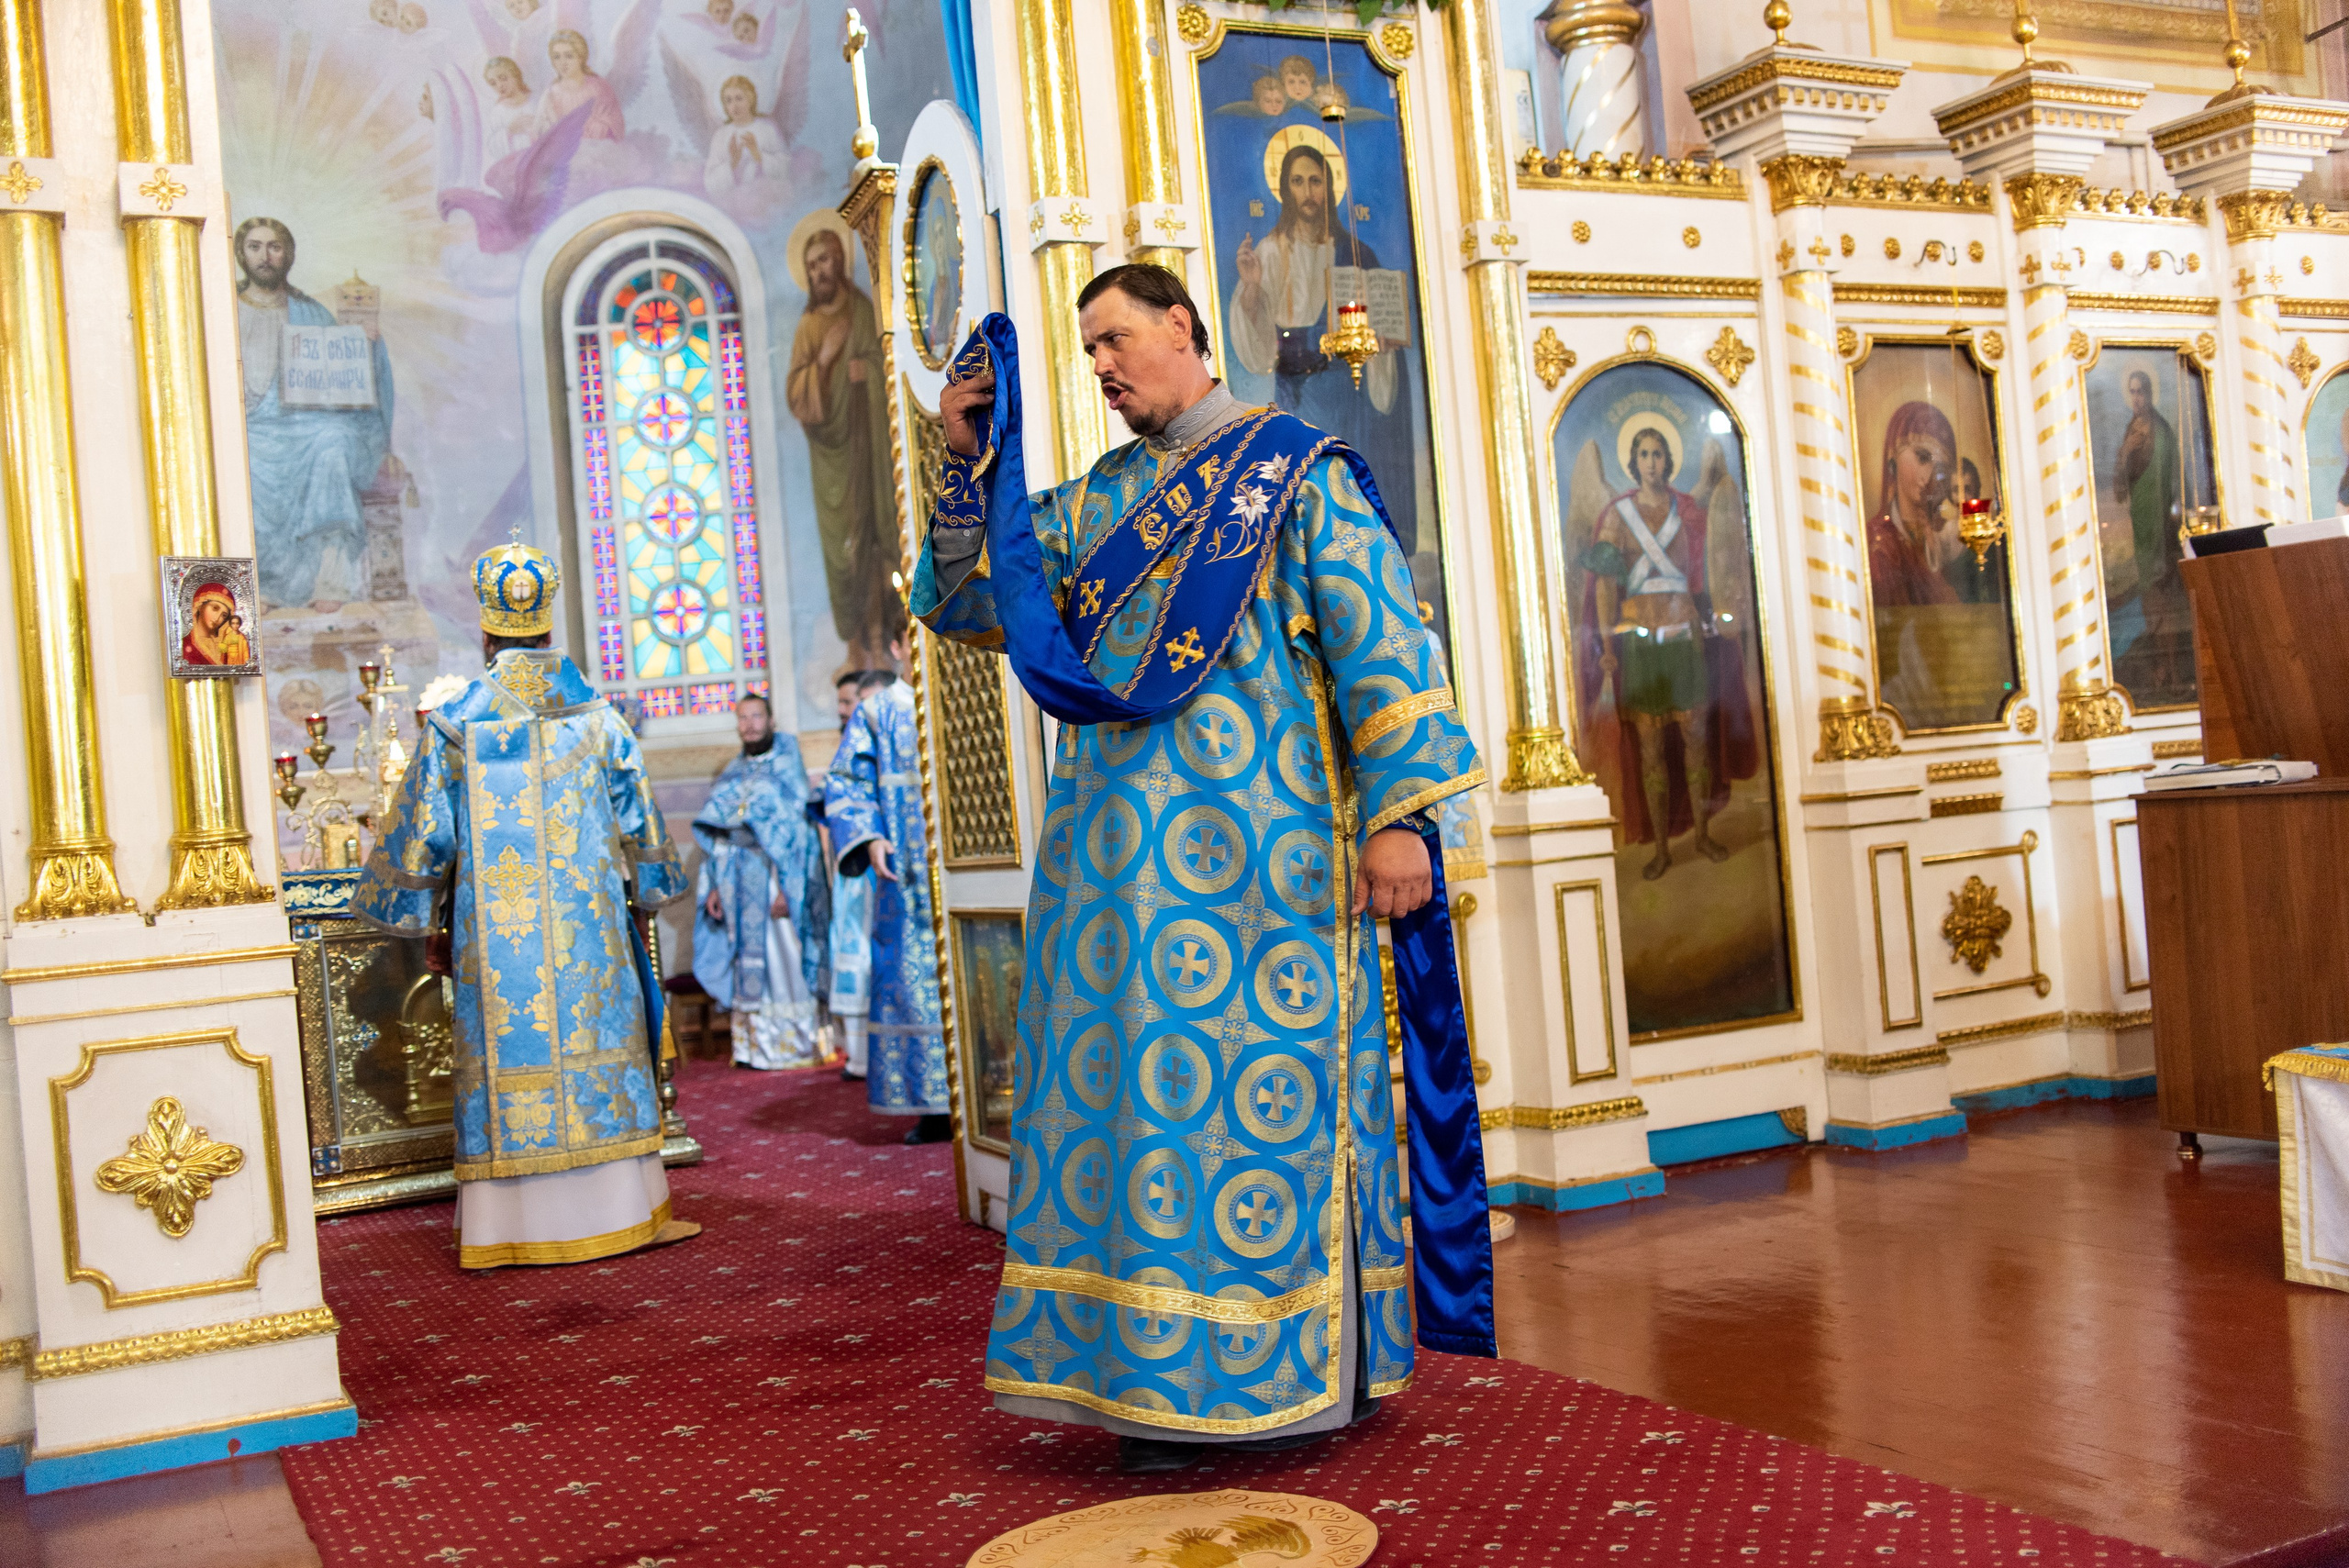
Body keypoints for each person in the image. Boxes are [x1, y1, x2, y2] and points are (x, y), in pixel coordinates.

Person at [913, 263, 1491, 1473]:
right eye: (1088, 355)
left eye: (1118, 338)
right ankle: (1145, 1382)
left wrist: (1398, 822)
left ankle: (1300, 1374)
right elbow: (973, 605)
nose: (1106, 367)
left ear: (1184, 327)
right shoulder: (1095, 505)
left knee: (1259, 1122)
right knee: (1135, 1124)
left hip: (1262, 874)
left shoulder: (1295, 474)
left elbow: (1381, 644)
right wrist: (970, 465)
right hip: (1114, 893)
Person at [351, 541, 696, 1269]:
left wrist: (430, 920)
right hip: (591, 940)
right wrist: (649, 894)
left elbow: (418, 844)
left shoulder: (456, 724)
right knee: (594, 1042)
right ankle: (621, 1210)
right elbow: (645, 829)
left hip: (498, 947)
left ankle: (512, 1225)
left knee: (517, 1052)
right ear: (548, 625)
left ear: (486, 630)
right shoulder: (599, 719)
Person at [1578, 420, 1755, 881]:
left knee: (1696, 744)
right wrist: (1604, 643)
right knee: (1652, 750)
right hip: (1639, 643)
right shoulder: (1617, 517)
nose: (1652, 462)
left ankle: (1700, 835)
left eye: (1659, 454)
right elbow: (1604, 586)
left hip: (1683, 637)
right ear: (1633, 463)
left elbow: (1717, 567)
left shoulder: (1691, 511)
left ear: (1668, 461)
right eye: (1644, 455)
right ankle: (1660, 847)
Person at [234, 217, 395, 612]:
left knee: (334, 440)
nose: (265, 256)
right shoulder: (222, 310)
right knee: (244, 453)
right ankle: (261, 584)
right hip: (247, 425)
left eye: (274, 247)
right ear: (241, 253)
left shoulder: (311, 312)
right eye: (255, 246)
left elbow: (346, 382)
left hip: (303, 424)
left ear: (287, 255)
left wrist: (367, 345)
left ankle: (329, 578)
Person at [826, 664, 946, 1140]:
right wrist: (869, 835)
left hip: (978, 869)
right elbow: (846, 782)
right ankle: (932, 1103)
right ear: (901, 646)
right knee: (912, 985)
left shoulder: (981, 687)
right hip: (907, 873)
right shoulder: (877, 712)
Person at [786, 223, 900, 670]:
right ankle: (856, 645)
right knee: (844, 550)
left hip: (870, 452)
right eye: (811, 265)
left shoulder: (861, 311)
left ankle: (889, 637)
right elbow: (798, 394)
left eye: (826, 260)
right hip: (831, 460)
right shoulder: (809, 326)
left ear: (840, 261)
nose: (819, 271)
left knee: (879, 539)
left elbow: (882, 364)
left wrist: (865, 371)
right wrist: (828, 362)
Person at [693, 692, 822, 1070]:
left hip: (771, 876)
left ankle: (792, 1045)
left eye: (756, 716)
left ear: (770, 720)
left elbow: (797, 833)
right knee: (743, 960)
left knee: (783, 957)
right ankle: (752, 1047)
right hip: (734, 880)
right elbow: (717, 834)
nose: (749, 724)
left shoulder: (786, 766)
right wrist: (714, 885)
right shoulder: (732, 772)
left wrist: (788, 886)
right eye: (743, 717)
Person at [823, 669, 875, 1081]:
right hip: (857, 869)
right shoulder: (849, 744)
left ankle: (870, 1054)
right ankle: (858, 1054)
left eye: (848, 702)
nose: (843, 711)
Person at [1865, 401, 1962, 608]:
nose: (1929, 477)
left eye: (1940, 467)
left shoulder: (1947, 539)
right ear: (1894, 456)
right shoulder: (1876, 540)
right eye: (1922, 458)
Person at [2116, 369, 2180, 600]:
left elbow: (2170, 475)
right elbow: (2121, 480)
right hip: (2140, 512)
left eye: (2140, 392)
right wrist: (2126, 452)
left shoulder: (2161, 430)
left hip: (2159, 513)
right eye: (2132, 392)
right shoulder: (2130, 430)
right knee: (2146, 576)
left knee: (2161, 579)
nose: (2136, 398)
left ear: (2150, 394)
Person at [535, 28, 623, 141]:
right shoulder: (551, 94)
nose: (563, 63)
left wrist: (599, 127)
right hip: (564, 151)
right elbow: (540, 129)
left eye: (569, 56)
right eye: (557, 57)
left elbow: (615, 122)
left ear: (581, 57)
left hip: (596, 149)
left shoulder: (598, 87)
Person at [703, 75, 782, 194]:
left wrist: (758, 155)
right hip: (732, 199)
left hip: (764, 196)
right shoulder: (721, 136)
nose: (734, 106)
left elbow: (785, 169)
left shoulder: (767, 130)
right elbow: (709, 181)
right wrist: (733, 163)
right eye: (728, 100)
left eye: (739, 98)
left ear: (750, 99)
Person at [180, 583, 244, 667]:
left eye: (224, 615)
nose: (217, 618)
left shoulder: (226, 647)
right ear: (200, 605)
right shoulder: (184, 646)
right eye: (215, 608)